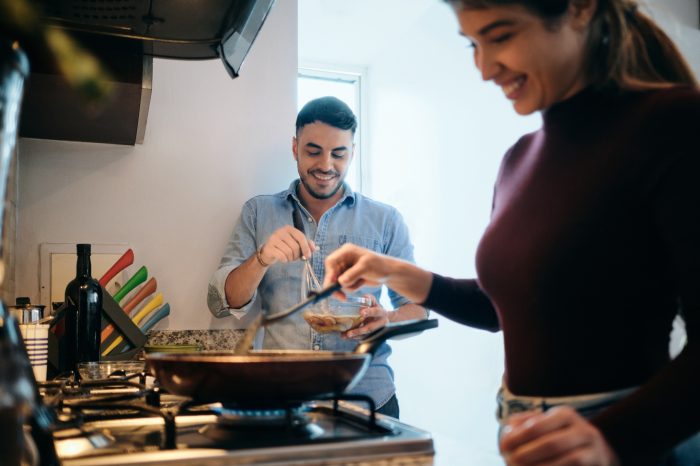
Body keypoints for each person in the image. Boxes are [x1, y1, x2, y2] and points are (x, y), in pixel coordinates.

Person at [322, 0, 700, 464]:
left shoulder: (675, 125)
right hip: (522, 431)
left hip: (626, 443)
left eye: (501, 37)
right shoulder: (519, 159)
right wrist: (390, 270)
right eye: (472, 44)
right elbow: (505, 307)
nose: (483, 68)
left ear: (579, 9)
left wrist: (614, 437)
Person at [207, 96, 427, 418]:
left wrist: (388, 319)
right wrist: (262, 258)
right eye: (313, 151)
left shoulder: (385, 220)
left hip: (368, 401)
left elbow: (419, 310)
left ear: (352, 152)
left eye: (339, 154)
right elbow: (221, 302)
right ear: (295, 148)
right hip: (281, 401)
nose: (325, 165)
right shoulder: (258, 212)